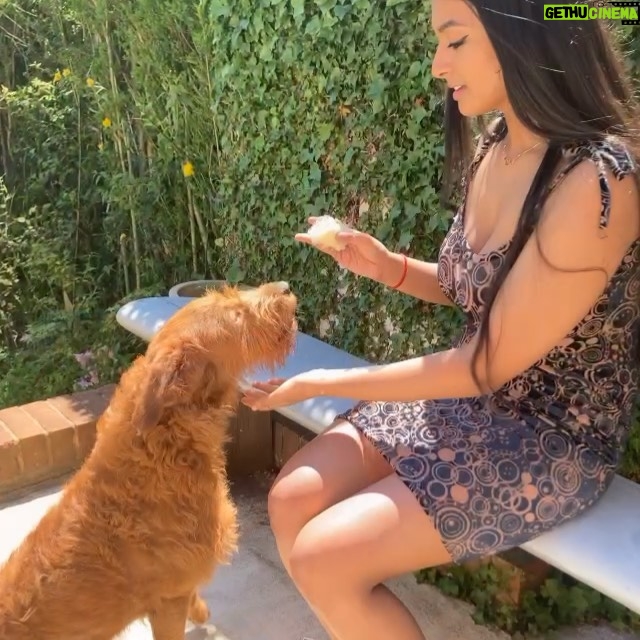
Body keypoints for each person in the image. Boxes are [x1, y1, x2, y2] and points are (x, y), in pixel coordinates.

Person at [241, 1, 640, 638]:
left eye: (453, 41)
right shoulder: (500, 146)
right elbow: (480, 295)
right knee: (292, 499)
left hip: (551, 435)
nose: (435, 66)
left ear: (523, 32)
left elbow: (485, 364)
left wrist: (319, 381)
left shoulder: (597, 181)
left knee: (325, 556)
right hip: (472, 403)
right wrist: (386, 264)